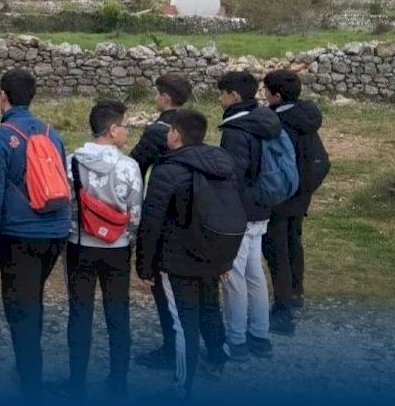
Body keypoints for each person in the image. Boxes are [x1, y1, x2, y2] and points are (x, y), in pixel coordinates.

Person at [0, 69, 70, 402]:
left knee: (19, 305)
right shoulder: (51, 132)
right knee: (33, 298)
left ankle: (30, 382)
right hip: (56, 229)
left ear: (2, 96)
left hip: (20, 233)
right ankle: (28, 367)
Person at [135, 109, 233, 400]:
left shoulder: (166, 171)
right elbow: (231, 213)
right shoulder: (220, 165)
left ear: (176, 134)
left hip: (177, 259)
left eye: (169, 130)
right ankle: (218, 356)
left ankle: (181, 388)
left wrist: (144, 265)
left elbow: (151, 222)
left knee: (183, 322)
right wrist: (226, 258)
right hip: (212, 253)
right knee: (210, 306)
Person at [48, 101, 143, 400]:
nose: (127, 131)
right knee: (118, 313)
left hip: (79, 245)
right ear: (113, 130)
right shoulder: (129, 166)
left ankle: (76, 382)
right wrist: (127, 238)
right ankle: (118, 381)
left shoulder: (70, 162)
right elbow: (135, 214)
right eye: (125, 126)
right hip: (117, 248)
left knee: (80, 312)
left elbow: (64, 204)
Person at [129, 73, 192, 371]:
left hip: (163, 212)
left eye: (157, 94)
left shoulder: (157, 131)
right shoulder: (192, 124)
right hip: (191, 210)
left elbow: (134, 166)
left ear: (165, 97)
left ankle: (172, 347)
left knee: (163, 285)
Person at [217, 71, 281, 360]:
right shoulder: (265, 119)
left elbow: (232, 174)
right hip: (262, 206)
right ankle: (260, 335)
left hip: (240, 210)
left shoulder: (236, 129)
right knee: (255, 272)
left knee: (234, 276)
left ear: (233, 95)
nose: (220, 99)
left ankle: (236, 339)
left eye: (222, 94)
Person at [262, 69, 329, 335]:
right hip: (301, 193)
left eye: (266, 91)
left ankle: (283, 311)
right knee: (292, 241)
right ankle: (296, 291)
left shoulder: (277, 122)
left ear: (276, 96)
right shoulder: (306, 116)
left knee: (276, 249)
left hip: (281, 194)